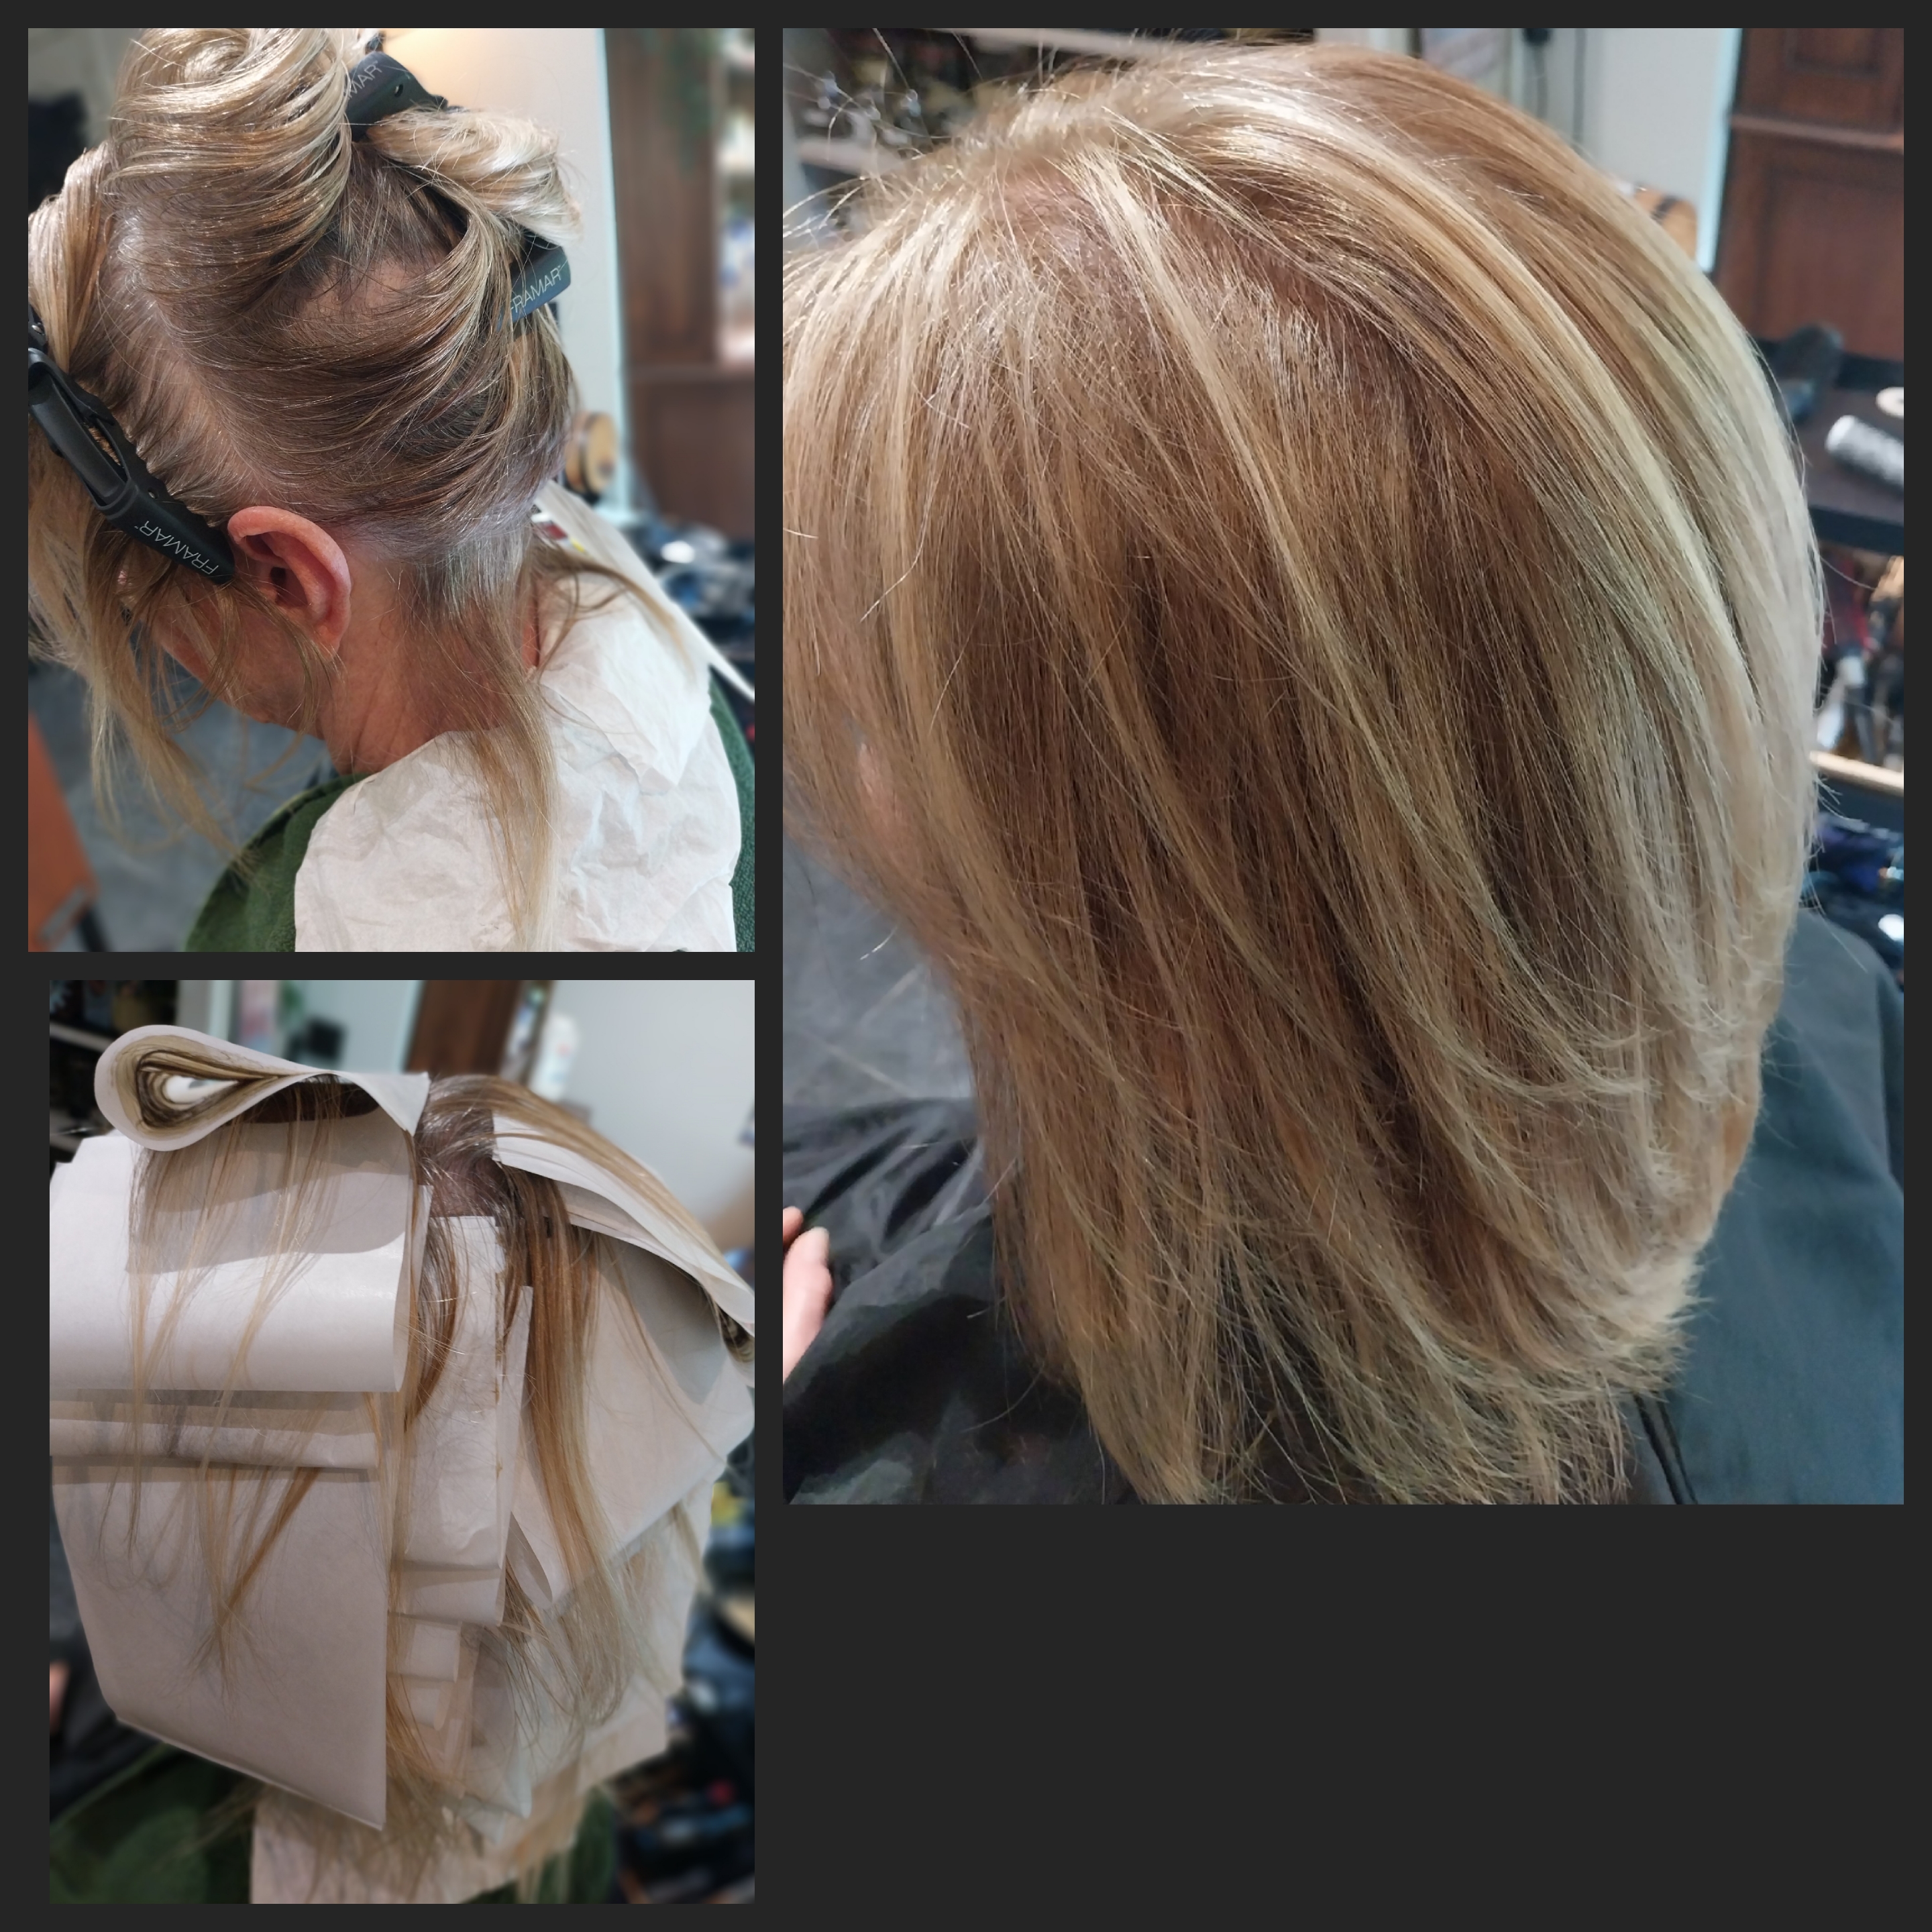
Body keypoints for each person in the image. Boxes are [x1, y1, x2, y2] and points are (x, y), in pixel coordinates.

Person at [781, 44, 1903, 1502]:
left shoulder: (881, 1468)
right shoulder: (1838, 1007)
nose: (866, 773)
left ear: (1163, 946)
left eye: (887, 715)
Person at [28, 29, 751, 951]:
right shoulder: (664, 676)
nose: (140, 610)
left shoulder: (298, 933)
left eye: (132, 583)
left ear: (285, 577)